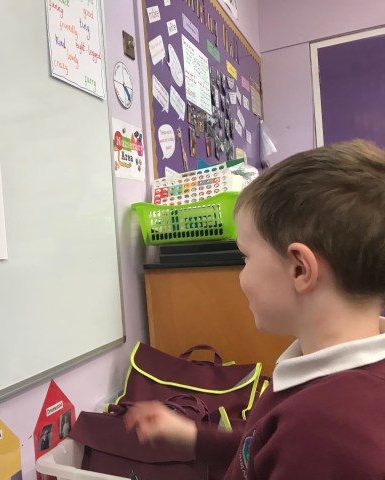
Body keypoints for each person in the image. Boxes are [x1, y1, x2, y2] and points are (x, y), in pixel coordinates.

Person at [125, 140, 385, 479]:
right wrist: (192, 437)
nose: (241, 275)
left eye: (246, 257)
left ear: (300, 269)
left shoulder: (324, 426)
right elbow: (265, 445)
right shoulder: (321, 391)